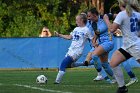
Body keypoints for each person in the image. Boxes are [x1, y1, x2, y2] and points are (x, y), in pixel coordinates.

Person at [73, 10, 116, 83]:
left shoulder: (104, 18)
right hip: (101, 44)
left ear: (95, 15)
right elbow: (87, 31)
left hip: (108, 42)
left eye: (89, 16)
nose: (88, 18)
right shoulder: (90, 23)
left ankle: (104, 77)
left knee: (94, 55)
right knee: (105, 64)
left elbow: (98, 31)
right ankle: (116, 78)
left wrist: (94, 40)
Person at [107, 0, 140, 93]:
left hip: (134, 46)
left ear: (121, 4)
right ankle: (122, 88)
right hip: (129, 46)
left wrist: (106, 19)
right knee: (113, 63)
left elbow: (112, 29)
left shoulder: (122, 14)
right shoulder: (137, 14)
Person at [54, 14, 93, 84]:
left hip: (77, 51)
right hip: (71, 50)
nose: (76, 21)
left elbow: (92, 39)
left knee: (63, 63)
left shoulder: (87, 30)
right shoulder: (76, 29)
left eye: (77, 20)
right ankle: (83, 64)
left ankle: (57, 81)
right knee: (68, 65)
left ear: (81, 20)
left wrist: (95, 46)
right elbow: (69, 37)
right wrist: (59, 35)